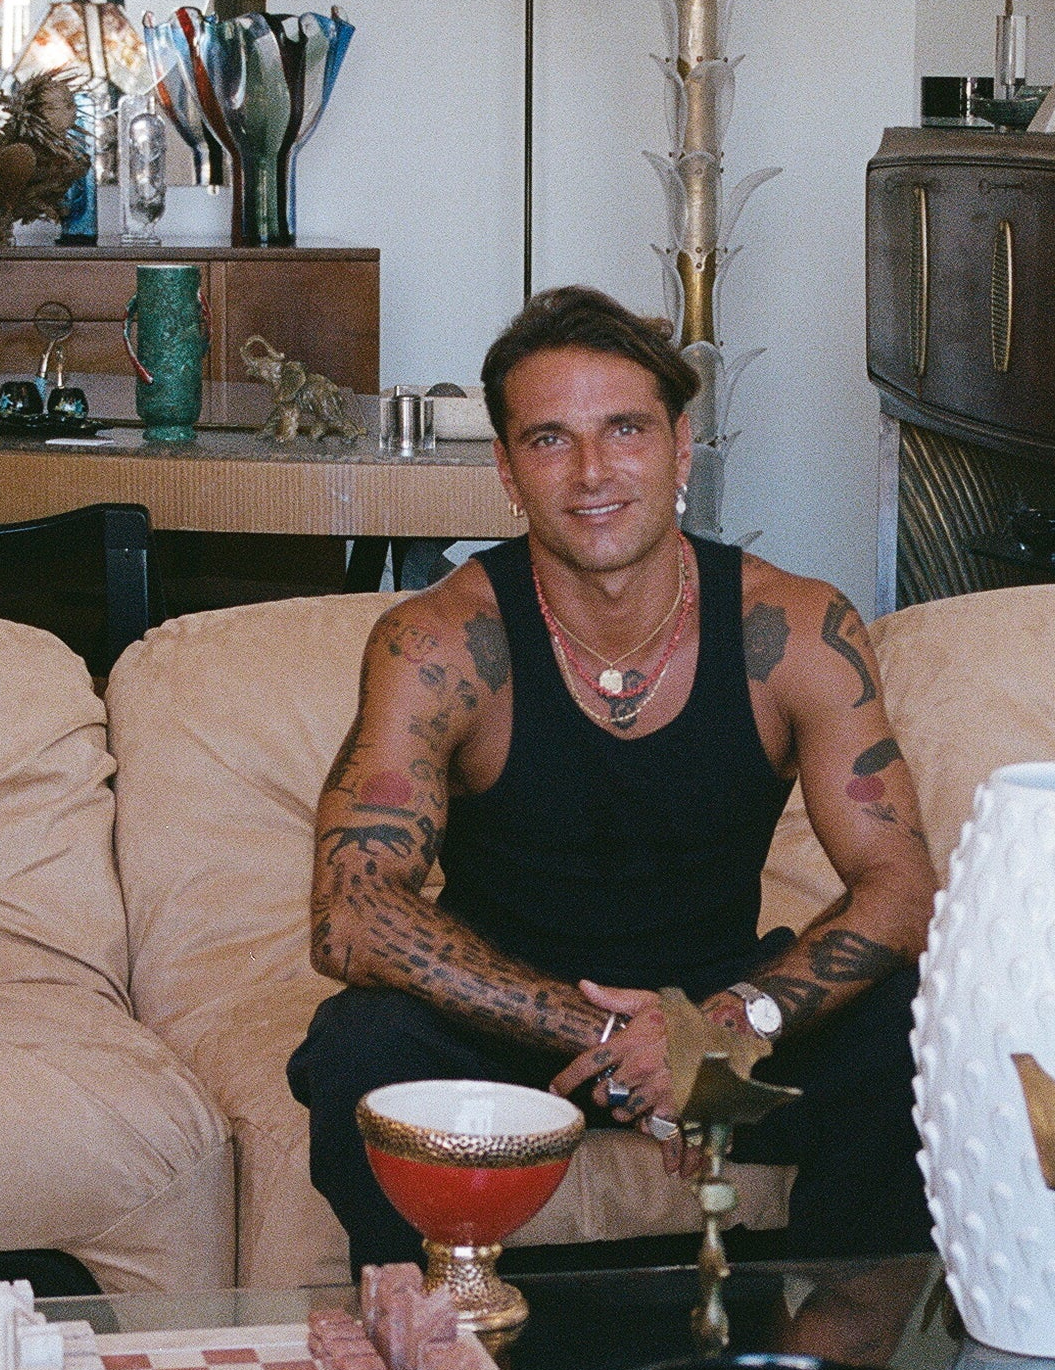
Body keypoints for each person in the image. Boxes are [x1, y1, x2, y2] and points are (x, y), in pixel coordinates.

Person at [288, 285, 936, 1273]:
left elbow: (901, 884)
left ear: (681, 447)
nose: (593, 472)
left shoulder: (797, 629)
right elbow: (352, 912)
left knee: (917, 1023)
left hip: (725, 1014)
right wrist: (614, 1033)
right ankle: (428, 1360)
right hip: (502, 1026)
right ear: (507, 471)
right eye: (550, 440)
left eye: (625, 429)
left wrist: (724, 1023)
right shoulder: (440, 641)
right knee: (360, 1048)